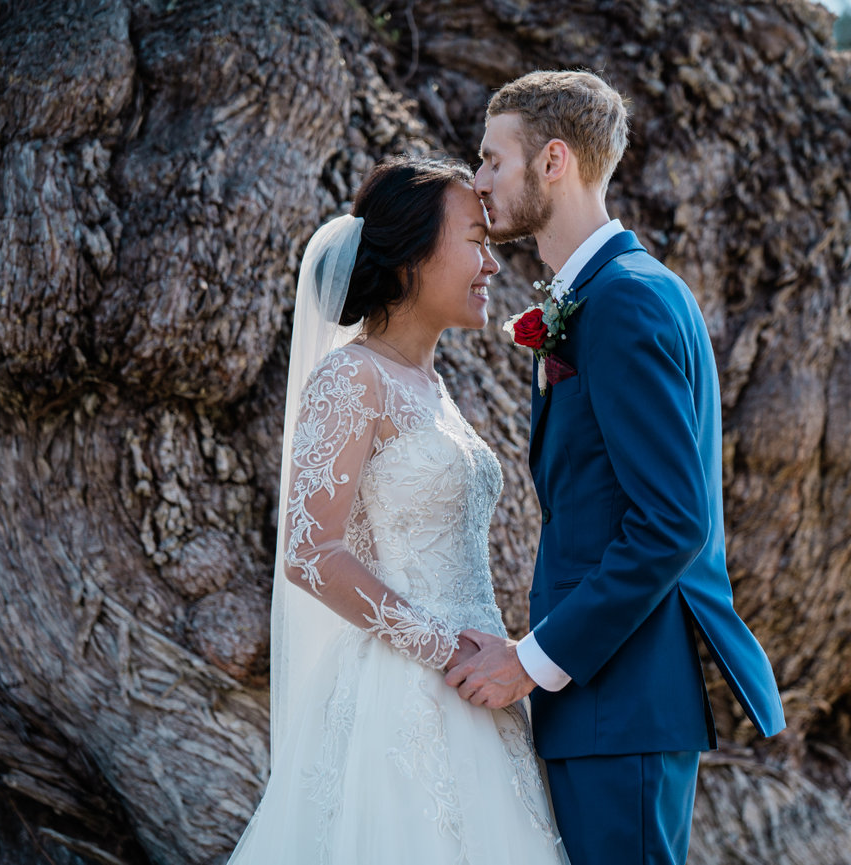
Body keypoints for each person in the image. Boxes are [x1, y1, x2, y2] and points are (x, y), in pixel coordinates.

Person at [445, 70, 788, 865]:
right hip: (602, 705)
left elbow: (673, 522)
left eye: (493, 159)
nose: (480, 180)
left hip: (620, 702)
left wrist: (531, 661)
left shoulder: (626, 299)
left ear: (553, 160)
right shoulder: (609, 293)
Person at [226, 156, 568, 864]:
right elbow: (311, 552)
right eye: (475, 241)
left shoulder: (430, 384)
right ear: (411, 256)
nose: (491, 265)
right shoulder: (352, 377)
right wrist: (445, 648)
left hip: (478, 686)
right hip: (403, 693)